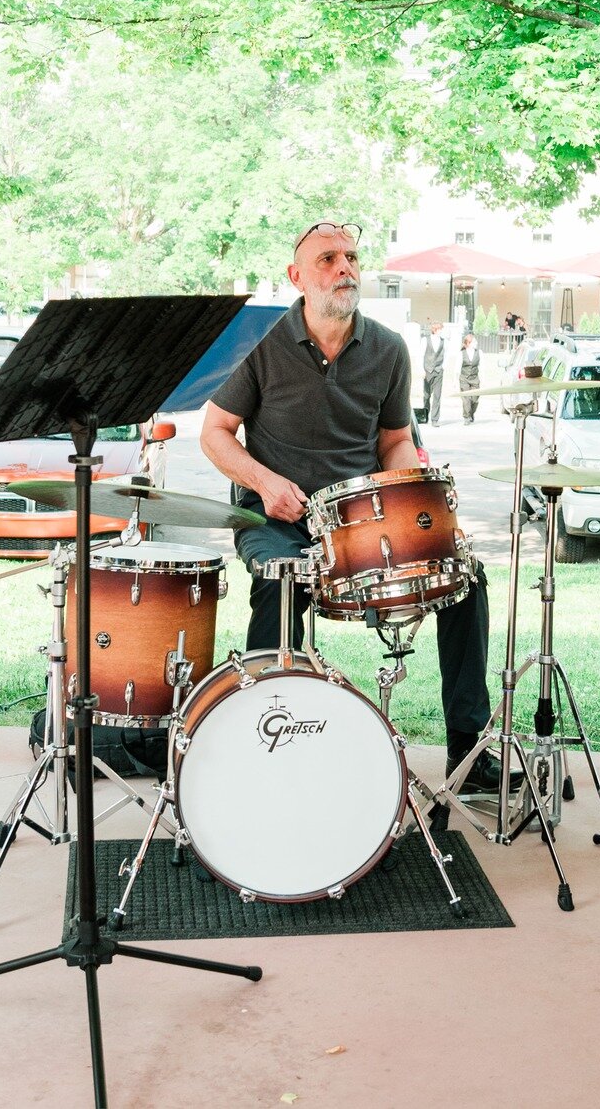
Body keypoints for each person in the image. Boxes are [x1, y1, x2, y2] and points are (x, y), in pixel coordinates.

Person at [202, 221, 500, 792]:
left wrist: (410, 497)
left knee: (466, 580)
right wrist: (265, 484)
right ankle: (266, 742)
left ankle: (469, 753)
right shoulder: (260, 346)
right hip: (278, 518)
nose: (345, 268)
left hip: (364, 523)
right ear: (297, 276)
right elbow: (216, 432)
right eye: (328, 259)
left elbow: (393, 439)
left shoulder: (387, 348)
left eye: (352, 258)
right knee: (278, 579)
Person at [421, 321, 447, 425]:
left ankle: (435, 419)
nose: (442, 331)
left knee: (437, 395)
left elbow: (447, 354)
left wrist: (443, 366)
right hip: (427, 370)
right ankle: (425, 414)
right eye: (441, 329)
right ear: (435, 330)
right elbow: (420, 355)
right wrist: (421, 370)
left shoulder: (444, 341)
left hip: (438, 370)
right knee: (427, 395)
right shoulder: (425, 340)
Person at [458, 332, 483, 424]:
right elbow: (457, 368)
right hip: (464, 378)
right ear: (468, 343)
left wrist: (483, 379)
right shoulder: (461, 354)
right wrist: (454, 380)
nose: (476, 343)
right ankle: (466, 417)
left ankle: (471, 413)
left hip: (475, 378)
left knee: (475, 399)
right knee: (466, 399)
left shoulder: (479, 353)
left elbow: (482, 367)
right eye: (474, 341)